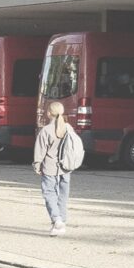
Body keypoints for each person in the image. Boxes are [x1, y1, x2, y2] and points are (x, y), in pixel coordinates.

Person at [33, 99, 81, 236]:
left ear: (49, 113)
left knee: (49, 194)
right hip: (66, 167)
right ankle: (61, 222)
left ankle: (56, 219)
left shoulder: (46, 131)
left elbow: (40, 151)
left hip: (50, 167)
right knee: (63, 195)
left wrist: (37, 164)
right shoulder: (68, 128)